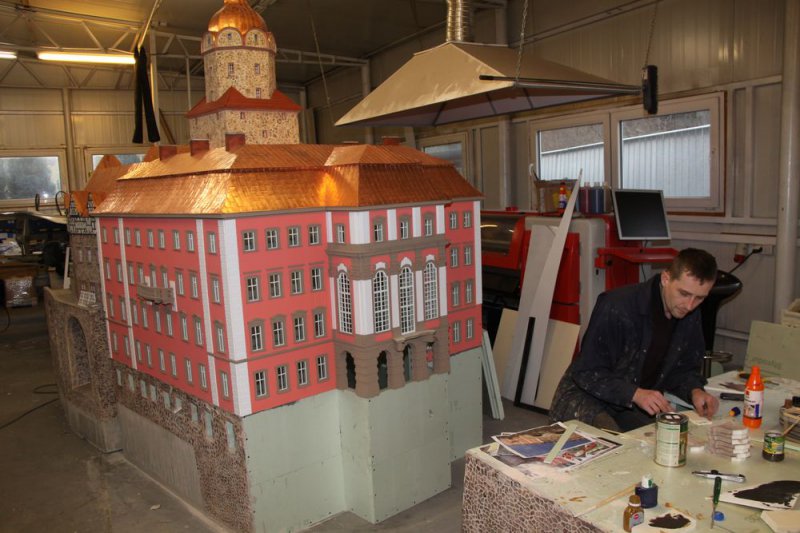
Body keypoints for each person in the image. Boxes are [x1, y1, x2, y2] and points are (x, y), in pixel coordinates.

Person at [549, 248, 720, 432]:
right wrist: (635, 394)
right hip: (586, 398)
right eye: (684, 294)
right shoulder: (617, 306)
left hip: (629, 404)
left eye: (699, 298)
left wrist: (695, 391)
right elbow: (587, 372)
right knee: (617, 445)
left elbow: (682, 370)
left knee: (666, 438)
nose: (690, 305)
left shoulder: (690, 315)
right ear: (666, 279)